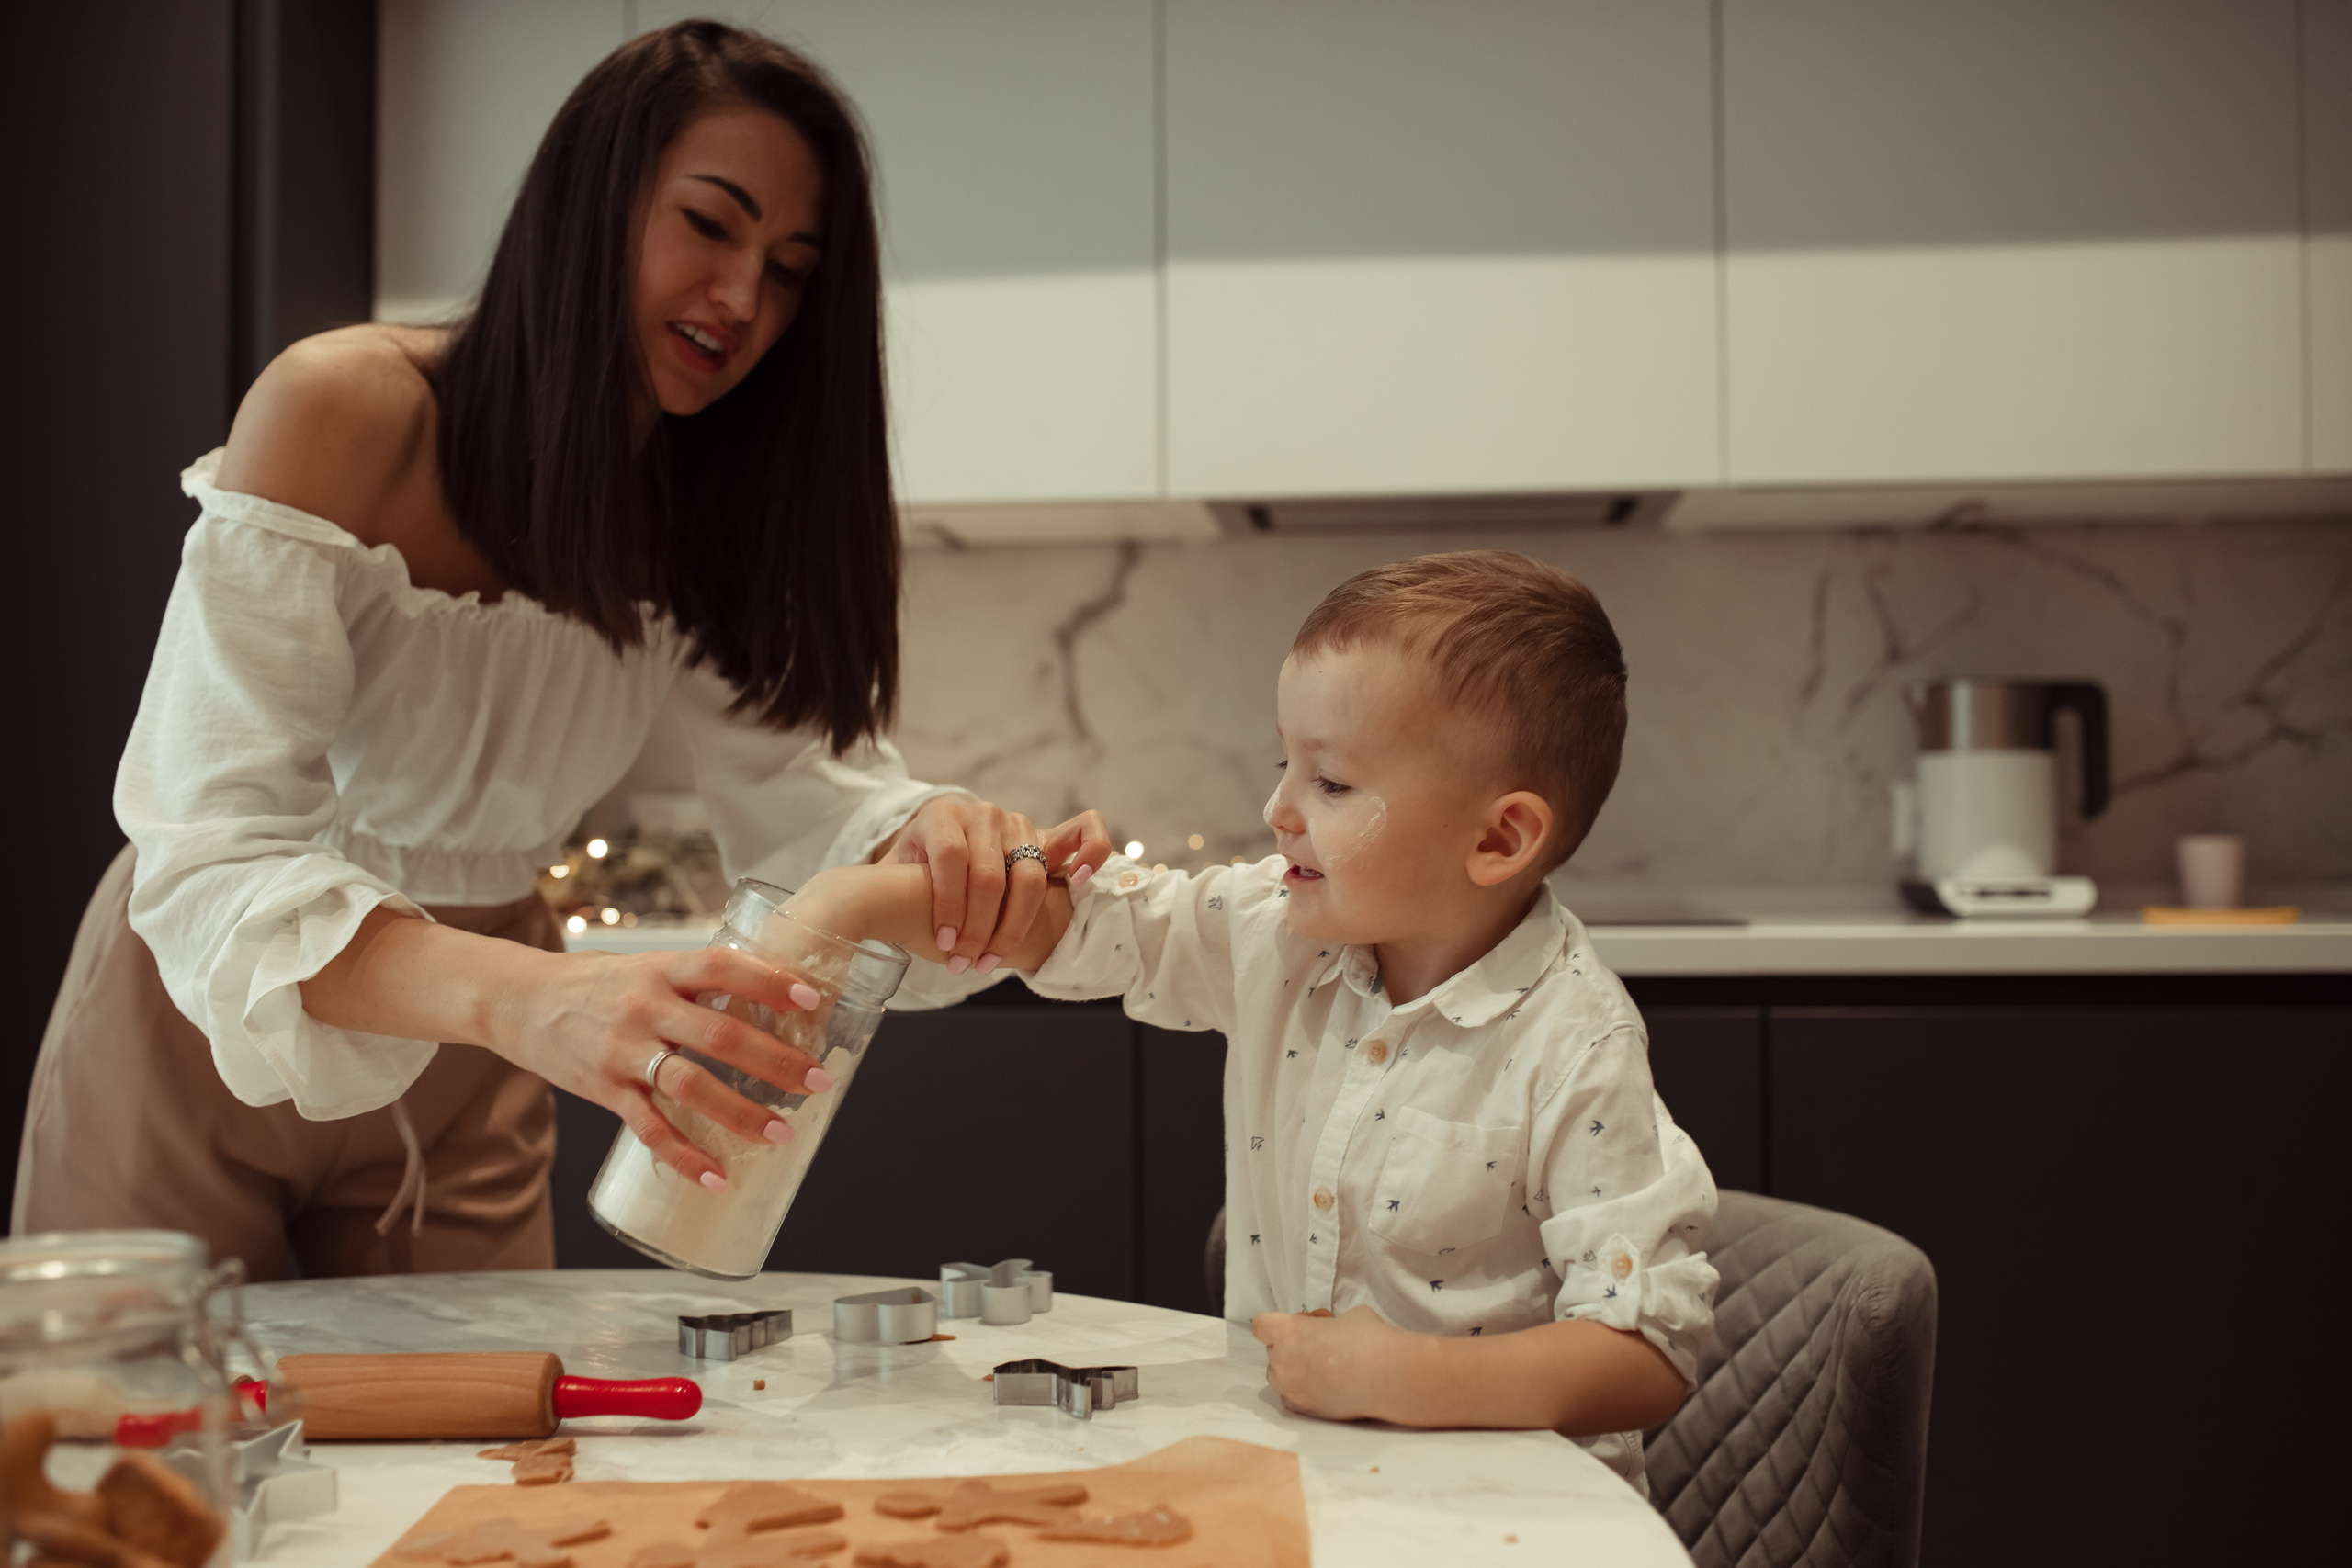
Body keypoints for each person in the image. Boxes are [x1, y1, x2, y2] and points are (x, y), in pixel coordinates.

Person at [12, 21, 1107, 1280]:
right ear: (593, 200)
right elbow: (208, 846)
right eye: (711, 224)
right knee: (135, 1450)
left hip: (480, 1065)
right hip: (203, 1022)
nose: (745, 299)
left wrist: (947, 847)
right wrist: (532, 999)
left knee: (485, 1455)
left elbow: (815, 812)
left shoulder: (708, 506)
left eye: (792, 269)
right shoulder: (342, 409)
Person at [775, 550, 1718, 1494]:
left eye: (1333, 785)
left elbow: (1644, 1353)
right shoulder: (1276, 933)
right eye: (1285, 766)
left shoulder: (1574, 1044)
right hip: (1309, 1488)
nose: (1278, 811)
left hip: (1506, 1518)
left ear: (1497, 839)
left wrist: (1405, 1376)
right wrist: (875, 898)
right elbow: (1081, 927)